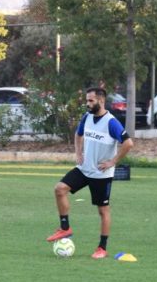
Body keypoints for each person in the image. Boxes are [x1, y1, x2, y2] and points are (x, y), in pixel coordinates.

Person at [46, 87, 134, 258]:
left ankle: (102, 248)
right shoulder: (87, 117)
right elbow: (78, 135)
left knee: (103, 211)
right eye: (86, 100)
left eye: (91, 100)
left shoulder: (111, 122)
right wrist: (78, 153)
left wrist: (112, 162)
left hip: (101, 174)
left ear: (101, 101)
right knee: (60, 189)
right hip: (84, 169)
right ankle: (65, 228)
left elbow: (128, 143)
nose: (87, 104)